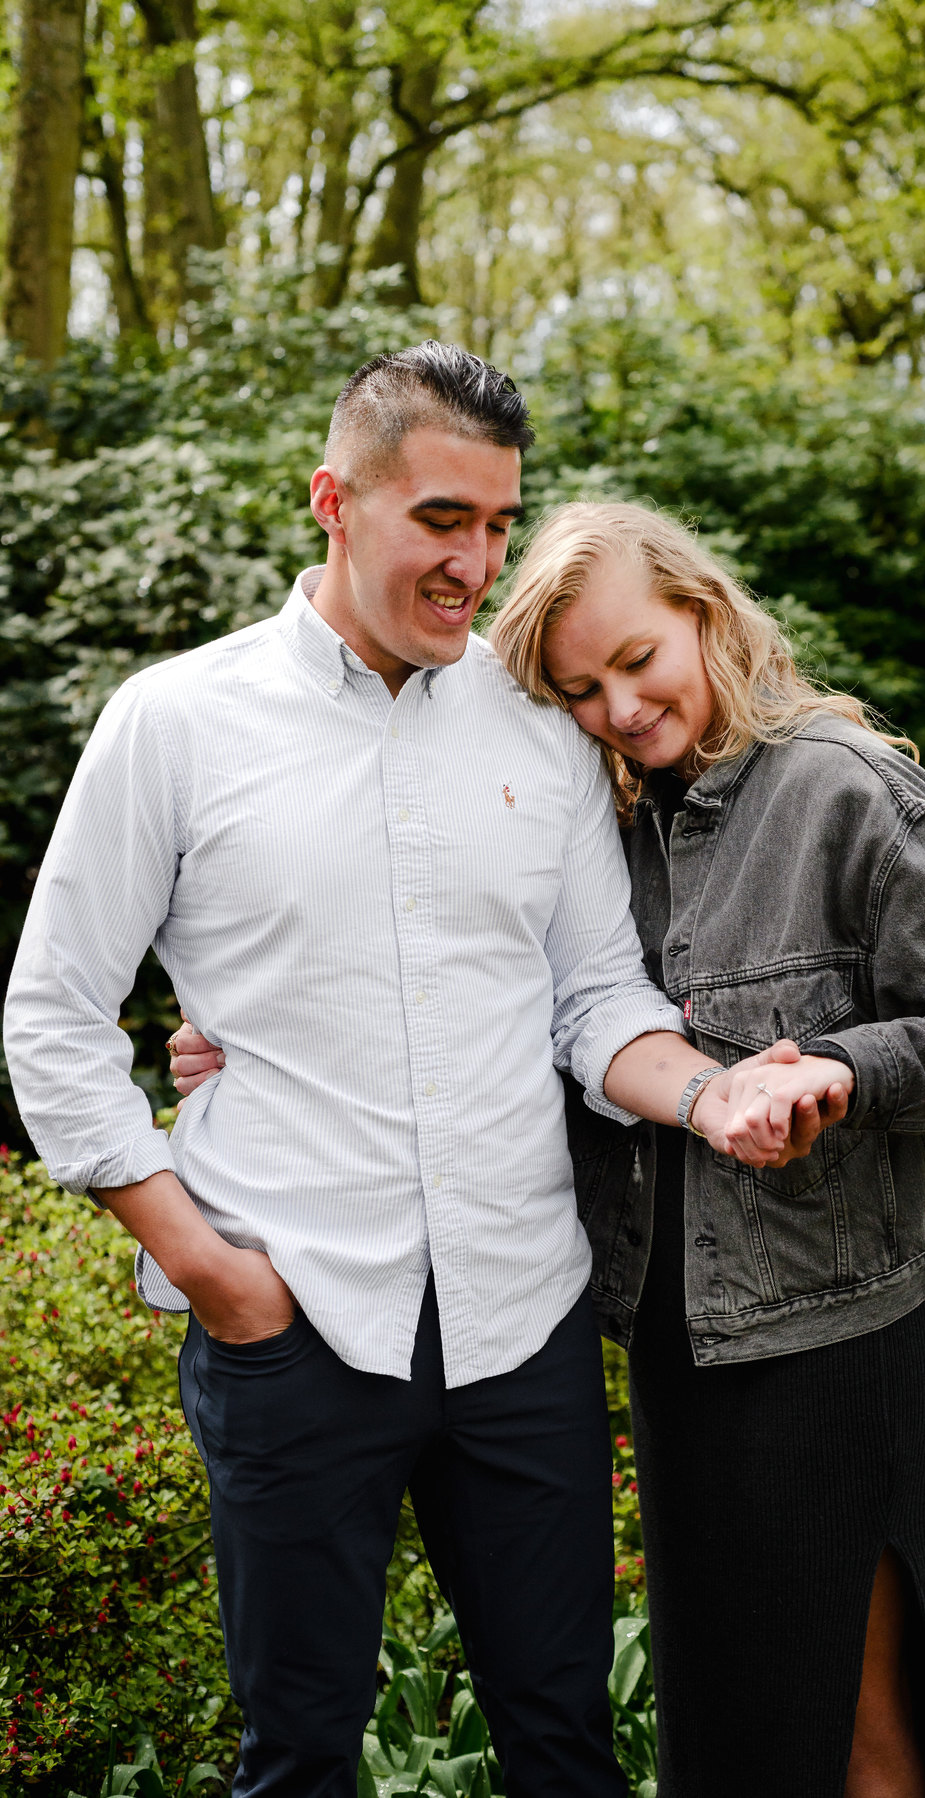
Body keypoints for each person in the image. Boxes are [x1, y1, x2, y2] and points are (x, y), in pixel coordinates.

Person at [2, 351, 807, 1798]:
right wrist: (208, 1266)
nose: (478, 561)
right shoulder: (173, 724)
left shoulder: (539, 736)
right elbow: (52, 1016)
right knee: (297, 1755)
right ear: (335, 500)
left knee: (565, 1743)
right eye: (445, 517)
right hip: (293, 1322)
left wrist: (712, 1092)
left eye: (500, 523)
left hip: (525, 1320)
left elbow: (594, 998)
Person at [484, 501, 925, 1798]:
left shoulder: (840, 788)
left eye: (638, 658)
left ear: (701, 609)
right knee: (733, 1736)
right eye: (581, 688)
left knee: (862, 1734)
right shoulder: (606, 833)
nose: (620, 706)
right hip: (679, 1344)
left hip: (842, 1343)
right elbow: (553, 1034)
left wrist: (845, 1070)